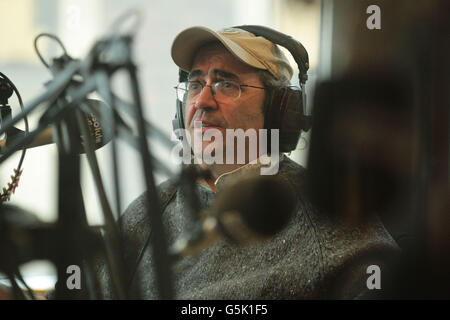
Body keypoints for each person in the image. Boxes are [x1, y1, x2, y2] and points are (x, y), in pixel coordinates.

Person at [97, 26, 399, 299]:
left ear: (281, 109)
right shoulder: (149, 210)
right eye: (195, 84)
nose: (202, 101)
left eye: (226, 84)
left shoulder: (327, 213)